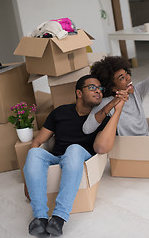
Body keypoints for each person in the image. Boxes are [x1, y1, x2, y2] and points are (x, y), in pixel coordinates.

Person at [23, 75, 126, 237]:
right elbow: (37, 142)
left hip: (81, 159)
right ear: (79, 93)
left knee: (74, 149)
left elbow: (103, 146)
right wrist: (26, 180)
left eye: (100, 89)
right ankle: (40, 218)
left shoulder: (102, 120)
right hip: (57, 158)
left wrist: (116, 107)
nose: (98, 91)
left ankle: (59, 217)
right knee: (34, 152)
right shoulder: (60, 112)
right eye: (92, 87)